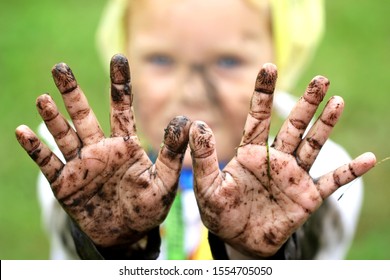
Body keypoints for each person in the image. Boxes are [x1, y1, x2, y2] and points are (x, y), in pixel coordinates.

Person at [15, 0, 376, 260]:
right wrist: (115, 246)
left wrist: (258, 251)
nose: (191, 90)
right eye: (161, 59)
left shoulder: (311, 174)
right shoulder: (82, 172)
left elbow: (317, 241)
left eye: (227, 61)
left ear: (279, 61)